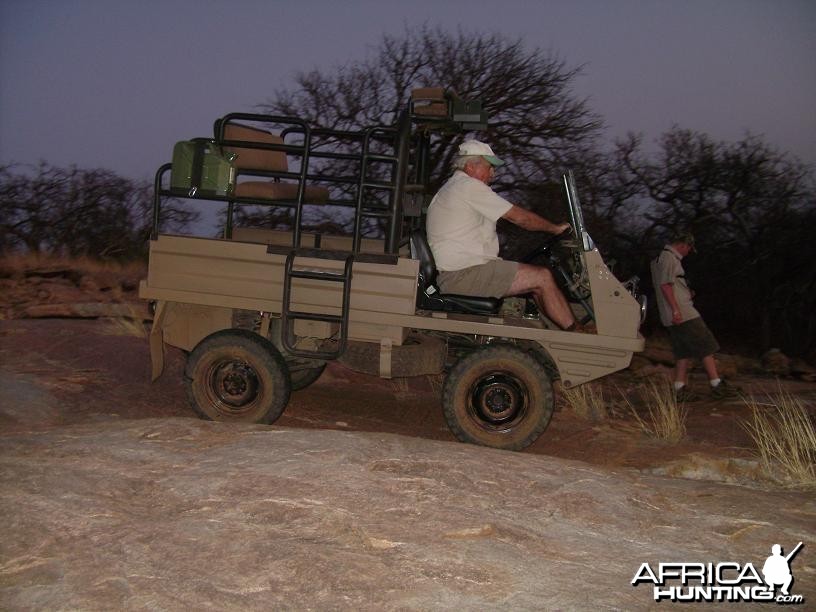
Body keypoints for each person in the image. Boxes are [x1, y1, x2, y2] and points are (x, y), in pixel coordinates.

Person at [426, 139, 582, 331]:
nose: (493, 173)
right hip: (462, 275)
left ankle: (561, 333)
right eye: (489, 167)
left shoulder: (454, 187)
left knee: (535, 282)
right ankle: (579, 336)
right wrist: (555, 229)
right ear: (471, 165)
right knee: (542, 277)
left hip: (459, 272)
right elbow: (520, 218)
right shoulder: (468, 187)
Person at [650, 231, 739, 401]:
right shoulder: (669, 257)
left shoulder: (658, 260)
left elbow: (670, 285)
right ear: (683, 244)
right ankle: (716, 385)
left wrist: (685, 292)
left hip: (669, 315)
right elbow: (666, 286)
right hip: (683, 314)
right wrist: (676, 309)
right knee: (706, 344)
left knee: (683, 351)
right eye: (689, 248)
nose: (689, 251)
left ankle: (679, 388)